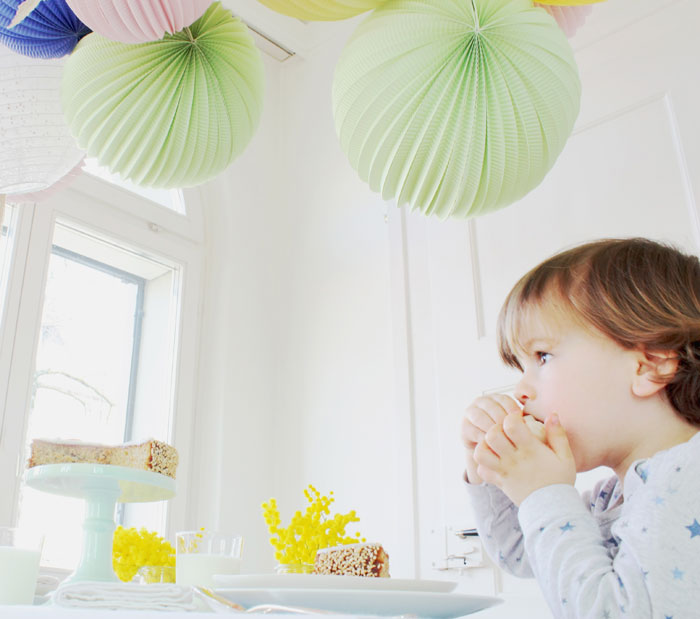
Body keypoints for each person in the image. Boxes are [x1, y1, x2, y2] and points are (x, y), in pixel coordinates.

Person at [461, 237, 700, 619]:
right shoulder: (613, 497)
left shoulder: (689, 476)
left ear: (649, 365)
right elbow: (522, 551)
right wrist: (488, 470)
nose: (521, 390)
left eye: (543, 356)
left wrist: (545, 493)